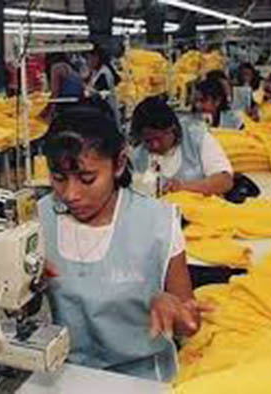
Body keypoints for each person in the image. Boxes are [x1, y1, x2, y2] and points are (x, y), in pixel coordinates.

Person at [38, 105, 208, 381]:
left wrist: (172, 308)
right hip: (63, 374)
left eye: (87, 179)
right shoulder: (39, 218)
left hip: (140, 378)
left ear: (118, 164)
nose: (70, 194)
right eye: (58, 178)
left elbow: (189, 323)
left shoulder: (157, 223)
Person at [132, 96, 234, 195]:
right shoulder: (138, 156)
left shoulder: (197, 138)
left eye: (158, 138)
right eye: (148, 141)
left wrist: (184, 187)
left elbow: (225, 181)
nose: (154, 145)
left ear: (171, 129)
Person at [39, 52, 84, 122]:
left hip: (67, 104)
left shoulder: (57, 68)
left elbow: (55, 94)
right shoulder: (69, 66)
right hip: (78, 102)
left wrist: (49, 114)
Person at [85, 46, 122, 131]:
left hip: (106, 111)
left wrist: (90, 92)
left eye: (89, 59)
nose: (88, 62)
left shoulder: (104, 73)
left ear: (96, 58)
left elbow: (102, 93)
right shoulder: (96, 72)